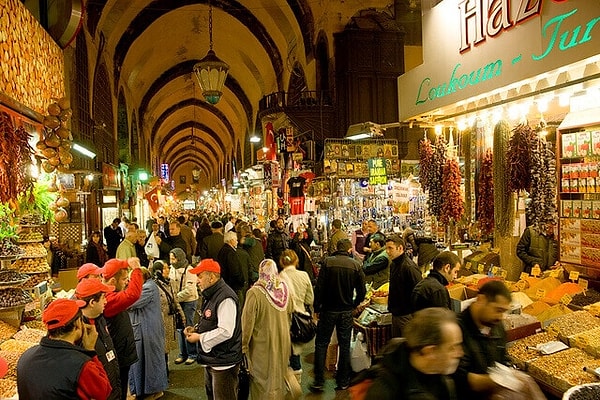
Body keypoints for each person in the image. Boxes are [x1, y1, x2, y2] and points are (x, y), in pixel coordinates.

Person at [355, 307, 463, 400]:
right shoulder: (384, 390)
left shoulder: (442, 378)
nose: (460, 353)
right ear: (430, 351)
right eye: (452, 348)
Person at [17, 298, 113, 400]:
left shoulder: (25, 357)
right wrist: (91, 352)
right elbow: (104, 392)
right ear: (77, 324)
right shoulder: (82, 365)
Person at [311, 238, 366, 392]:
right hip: (346, 311)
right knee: (344, 345)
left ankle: (319, 381)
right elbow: (362, 291)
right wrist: (354, 304)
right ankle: (343, 381)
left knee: (321, 343)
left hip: (328, 310)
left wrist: (317, 307)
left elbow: (319, 288)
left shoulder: (327, 263)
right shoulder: (356, 265)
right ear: (349, 250)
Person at [184, 259, 243, 400]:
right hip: (214, 358)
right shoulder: (212, 294)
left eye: (200, 276)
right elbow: (211, 321)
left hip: (223, 361)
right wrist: (196, 329)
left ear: (211, 277)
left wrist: (200, 338)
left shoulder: (225, 297)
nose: (197, 280)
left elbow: (226, 331)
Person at [242, 259, 293, 399]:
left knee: (262, 381)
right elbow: (290, 311)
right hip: (282, 340)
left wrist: (243, 346)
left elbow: (247, 323)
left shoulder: (255, 293)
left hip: (262, 344)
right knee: (278, 377)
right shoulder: (284, 288)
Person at [455, 280, 512, 400]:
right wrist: (504, 380)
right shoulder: (456, 330)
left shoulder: (496, 326)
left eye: (504, 311)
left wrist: (509, 373)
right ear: (481, 300)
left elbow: (503, 359)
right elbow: (463, 380)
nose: (501, 317)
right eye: (498, 310)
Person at [102, 257, 143, 400]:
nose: (127, 281)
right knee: (119, 388)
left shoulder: (109, 294)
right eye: (124, 279)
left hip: (121, 349)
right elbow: (133, 294)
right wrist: (137, 270)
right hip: (118, 353)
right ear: (113, 281)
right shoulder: (109, 299)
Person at [75, 277, 121, 400]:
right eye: (103, 298)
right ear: (92, 303)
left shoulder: (100, 318)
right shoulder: (78, 332)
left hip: (113, 386)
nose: (106, 301)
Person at [128, 267, 168, 400]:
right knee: (148, 361)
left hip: (149, 329)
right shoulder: (149, 286)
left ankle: (154, 391)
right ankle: (150, 391)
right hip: (146, 329)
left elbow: (130, 302)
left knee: (151, 361)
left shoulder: (148, 288)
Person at [279, 249, 314, 382]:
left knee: (284, 350)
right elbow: (310, 299)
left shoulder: (279, 278)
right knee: (295, 353)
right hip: (299, 319)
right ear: (296, 260)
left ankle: (286, 379)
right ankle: (296, 381)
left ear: (282, 262)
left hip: (283, 319)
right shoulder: (304, 275)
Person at [151, 260, 184, 373]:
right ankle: (162, 371)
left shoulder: (169, 283)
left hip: (169, 320)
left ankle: (165, 369)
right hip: (159, 322)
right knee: (161, 347)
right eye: (164, 268)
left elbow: (175, 300)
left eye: (167, 268)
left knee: (167, 347)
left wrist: (181, 315)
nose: (167, 270)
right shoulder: (153, 286)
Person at [385, 235, 422, 337]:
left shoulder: (408, 267)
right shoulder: (393, 264)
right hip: (396, 314)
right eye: (386, 248)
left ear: (400, 248)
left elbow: (419, 290)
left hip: (406, 315)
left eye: (390, 248)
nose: (387, 252)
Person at [168, 248, 198, 365]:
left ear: (179, 258)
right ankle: (182, 353)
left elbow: (189, 290)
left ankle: (192, 354)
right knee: (180, 328)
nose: (171, 261)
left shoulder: (189, 270)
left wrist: (175, 298)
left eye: (173, 258)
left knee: (188, 327)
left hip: (189, 301)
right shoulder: (172, 269)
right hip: (178, 301)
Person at [217, 231, 246, 305]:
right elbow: (235, 271)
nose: (237, 242)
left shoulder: (222, 250)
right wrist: (241, 281)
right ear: (231, 240)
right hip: (233, 286)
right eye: (236, 240)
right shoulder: (230, 253)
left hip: (226, 283)